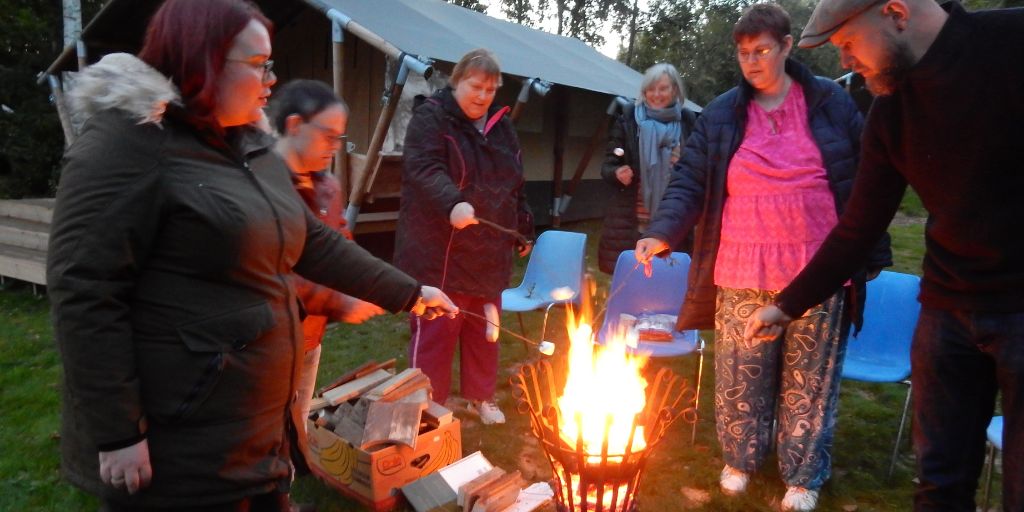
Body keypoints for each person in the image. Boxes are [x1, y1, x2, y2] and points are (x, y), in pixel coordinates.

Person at [47, 0, 456, 509]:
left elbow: (310, 239)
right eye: (258, 63)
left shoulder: (249, 144)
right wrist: (118, 431)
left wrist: (409, 292)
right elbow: (85, 289)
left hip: (254, 432)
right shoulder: (131, 143)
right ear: (206, 61)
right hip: (181, 442)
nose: (271, 77)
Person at [743, 0, 1024, 510]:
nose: (846, 62)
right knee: (939, 482)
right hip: (947, 312)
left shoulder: (1010, 42)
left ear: (895, 11)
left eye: (849, 44)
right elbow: (858, 227)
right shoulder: (893, 108)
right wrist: (788, 305)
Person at [633, 4, 891, 510]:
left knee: (809, 382)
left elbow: (864, 178)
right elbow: (690, 179)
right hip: (742, 266)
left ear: (787, 46)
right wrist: (661, 231)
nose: (751, 62)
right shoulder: (724, 111)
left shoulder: (829, 102)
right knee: (739, 374)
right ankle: (741, 459)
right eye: (743, 53)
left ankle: (803, 475)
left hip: (819, 271)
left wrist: (869, 252)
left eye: (762, 51)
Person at [393, 48, 534, 426]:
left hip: (488, 252)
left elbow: (514, 181)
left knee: (484, 330)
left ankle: (480, 397)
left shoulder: (503, 127)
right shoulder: (432, 118)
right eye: (475, 86)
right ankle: (427, 403)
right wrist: (452, 203)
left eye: (490, 89)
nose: (482, 96)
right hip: (438, 249)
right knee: (438, 329)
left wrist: (523, 226)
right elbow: (424, 168)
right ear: (457, 82)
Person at [268, 79, 385, 433]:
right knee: (266, 434)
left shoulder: (327, 188)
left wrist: (375, 284)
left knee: (297, 429)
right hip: (270, 343)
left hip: (310, 338)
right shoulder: (261, 186)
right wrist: (339, 302)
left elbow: (340, 247)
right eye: (328, 136)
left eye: (340, 138)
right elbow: (277, 271)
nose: (335, 147)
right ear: (294, 126)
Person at [597, 63, 698, 274]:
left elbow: (695, 172)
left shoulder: (689, 123)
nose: (656, 94)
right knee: (630, 287)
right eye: (651, 89)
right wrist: (616, 173)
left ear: (676, 91)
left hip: (674, 224)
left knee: (669, 286)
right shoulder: (629, 120)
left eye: (663, 88)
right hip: (631, 222)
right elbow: (608, 165)